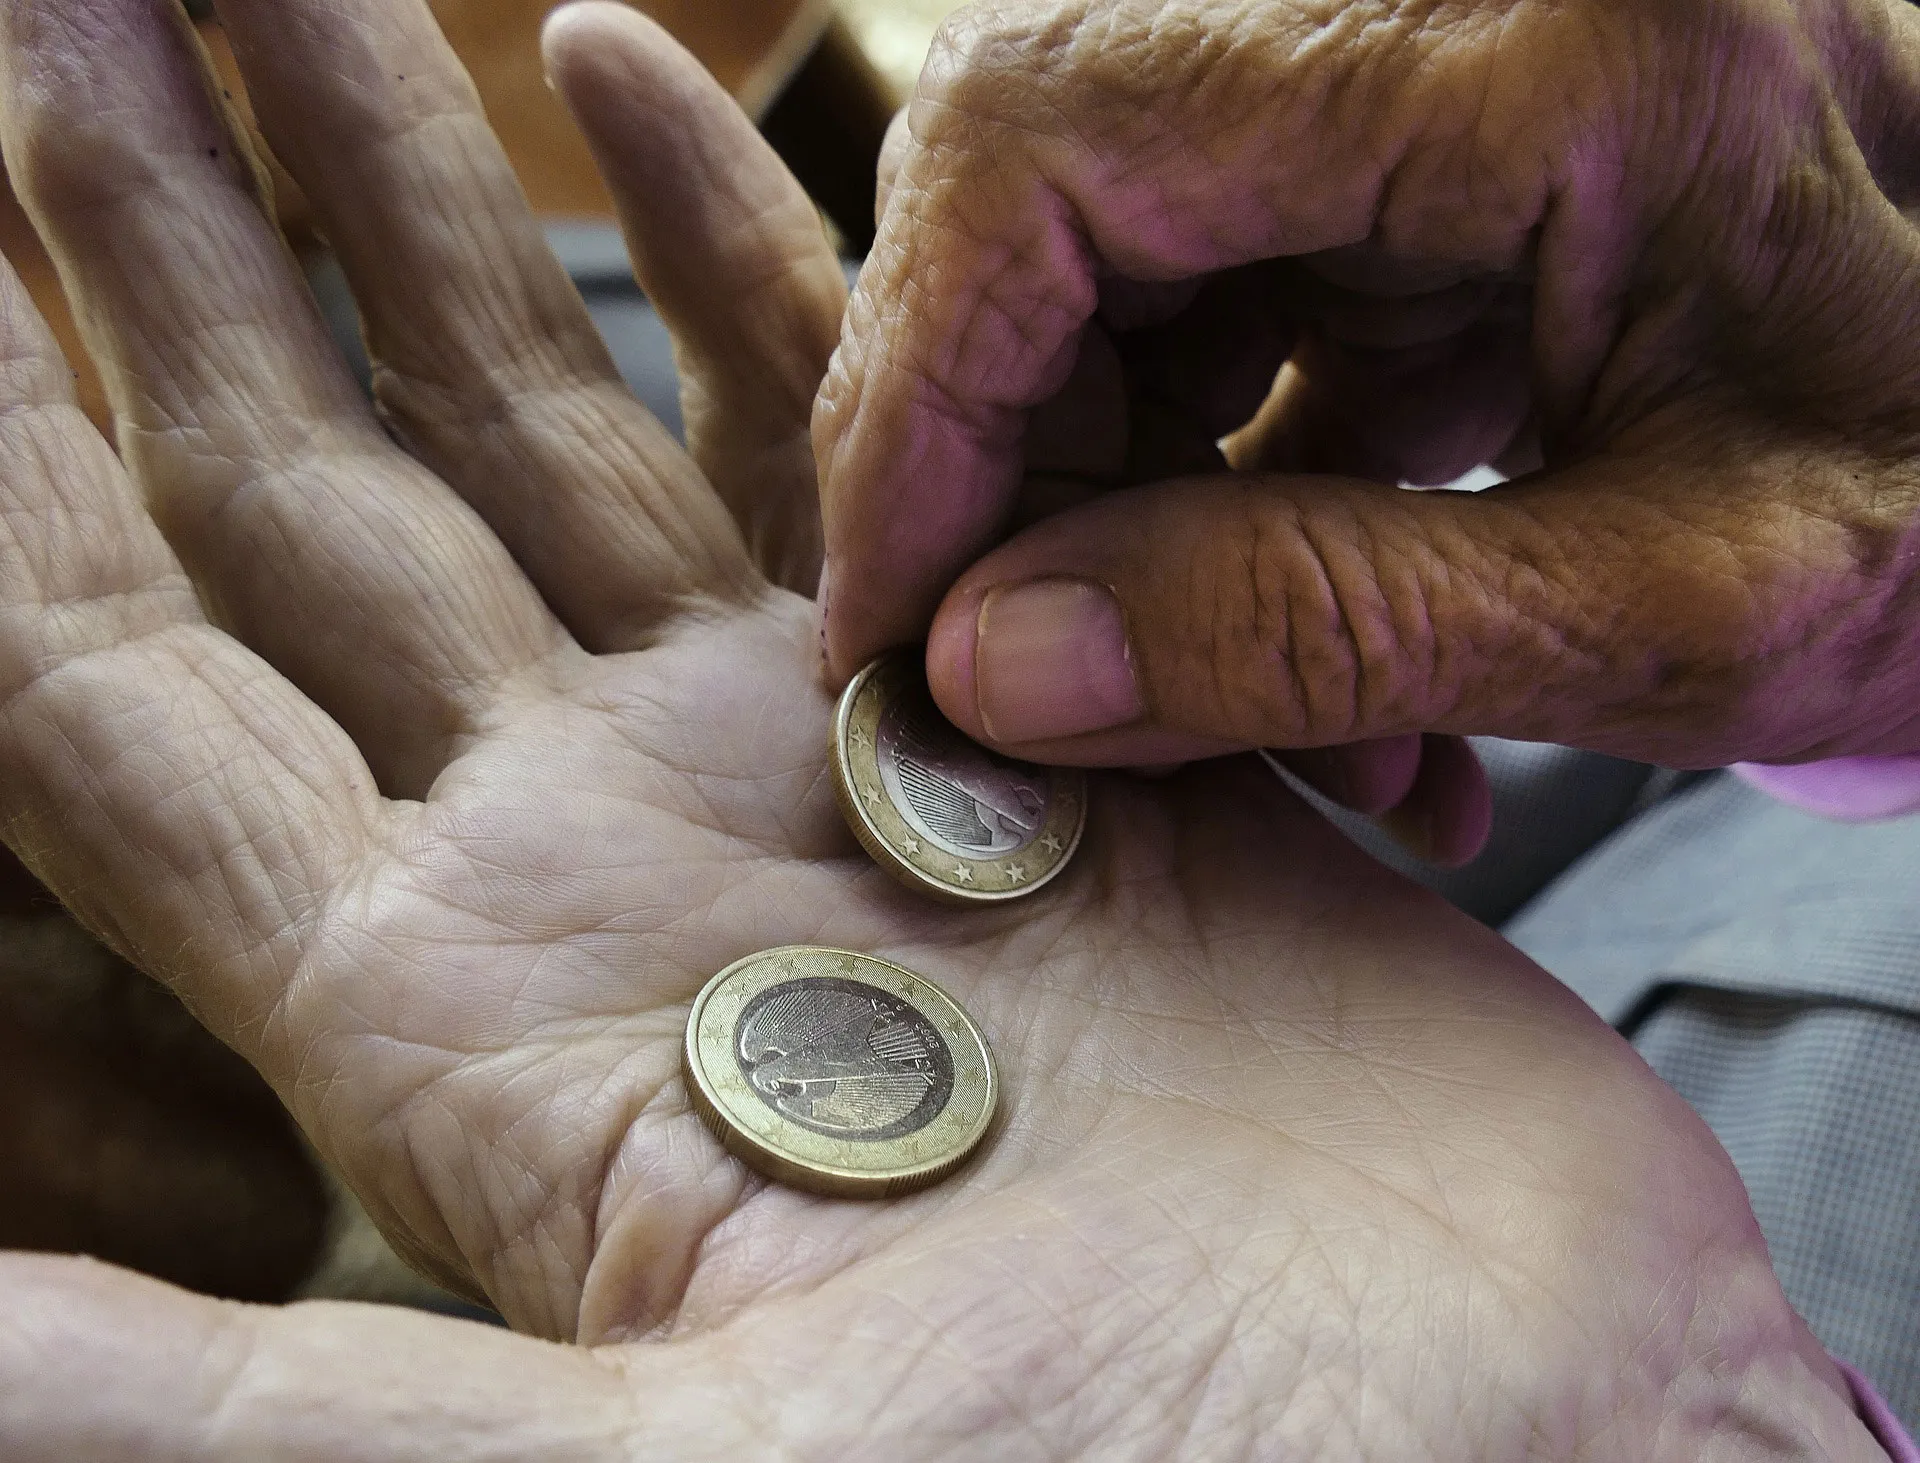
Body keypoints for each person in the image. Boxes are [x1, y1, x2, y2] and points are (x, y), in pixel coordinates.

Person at [0, 3, 1903, 1461]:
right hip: (1586, 875)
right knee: (598, 408)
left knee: (489, 388)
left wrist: (1679, 1418)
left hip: (1511, 1010)